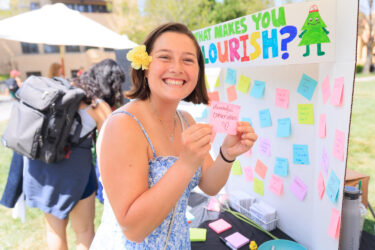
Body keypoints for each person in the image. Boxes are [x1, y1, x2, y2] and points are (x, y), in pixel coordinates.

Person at [90, 23, 258, 249]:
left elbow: (209, 185)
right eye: (165, 57)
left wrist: (227, 154)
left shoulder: (185, 119)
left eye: (188, 60)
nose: (177, 68)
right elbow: (134, 229)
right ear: (146, 67)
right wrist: (186, 164)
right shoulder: (123, 125)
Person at [22, 59, 125, 250]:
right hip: (77, 175)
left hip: (42, 169)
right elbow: (111, 146)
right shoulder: (97, 105)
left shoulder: (60, 90)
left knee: (54, 232)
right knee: (84, 231)